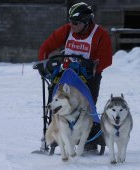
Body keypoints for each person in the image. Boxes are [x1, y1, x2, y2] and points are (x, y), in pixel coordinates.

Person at [38, 2, 112, 152]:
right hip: (65, 76)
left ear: (86, 22)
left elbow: (107, 59)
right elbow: (47, 46)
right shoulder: (67, 31)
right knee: (57, 105)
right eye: (70, 21)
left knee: (86, 108)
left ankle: (90, 141)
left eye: (75, 23)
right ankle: (53, 137)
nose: (72, 25)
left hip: (88, 78)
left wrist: (94, 66)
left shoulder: (100, 35)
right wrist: (42, 62)